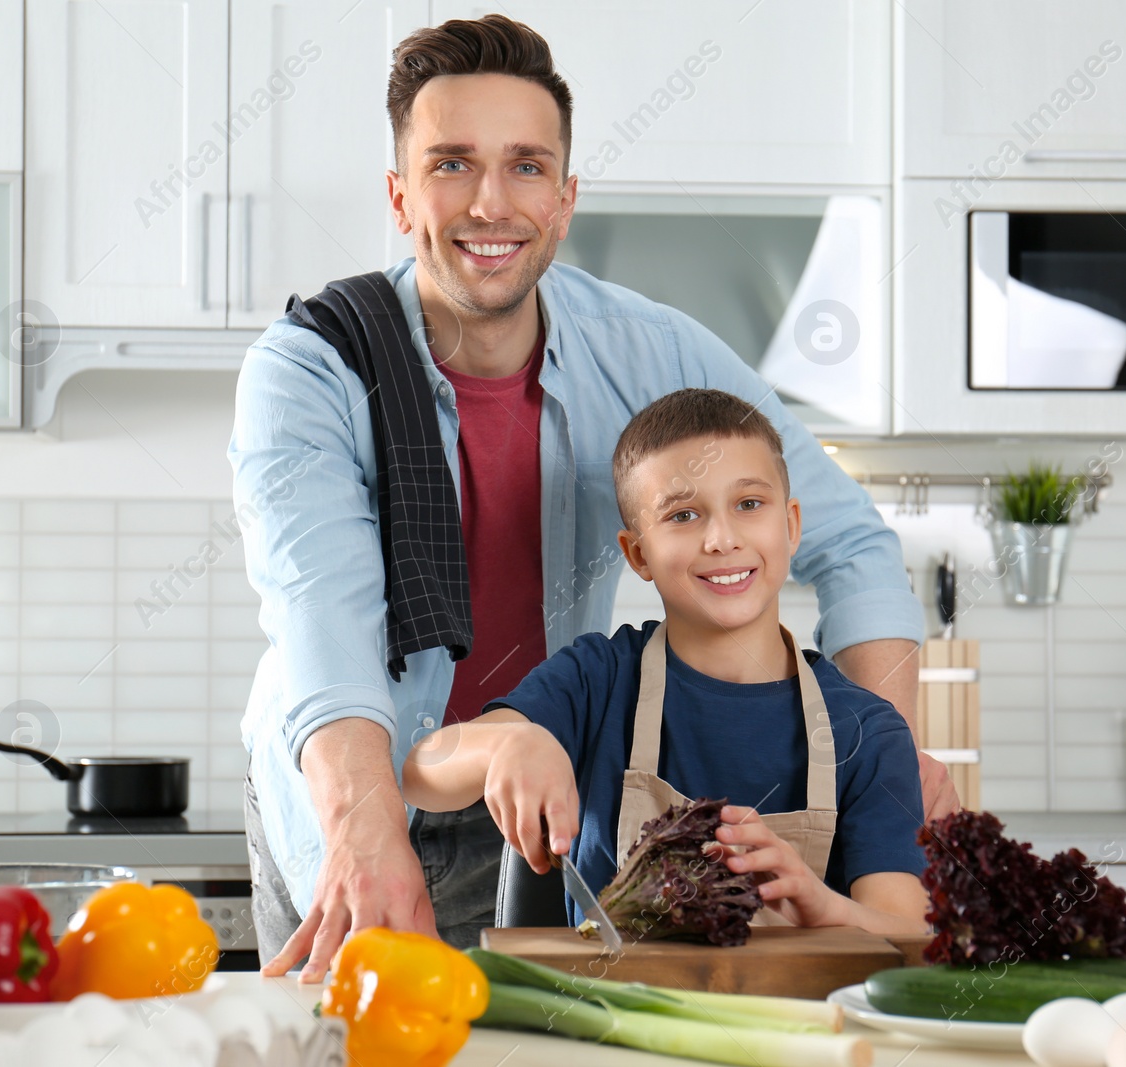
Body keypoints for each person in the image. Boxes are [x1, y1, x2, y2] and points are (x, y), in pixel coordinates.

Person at [228, 13, 954, 980]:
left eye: (526, 165)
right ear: (400, 196)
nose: (492, 202)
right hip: (353, 787)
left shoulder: (652, 351)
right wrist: (365, 834)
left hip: (543, 805)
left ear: (565, 199)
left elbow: (855, 546)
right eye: (452, 164)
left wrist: (883, 770)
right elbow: (323, 623)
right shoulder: (312, 369)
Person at [403, 389, 931, 937]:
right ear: (638, 555)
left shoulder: (868, 731)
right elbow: (423, 769)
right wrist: (508, 743)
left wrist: (827, 909)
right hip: (608, 1016)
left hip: (804, 1020)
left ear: (791, 526)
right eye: (683, 515)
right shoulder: (598, 681)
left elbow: (908, 934)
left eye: (749, 504)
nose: (722, 539)